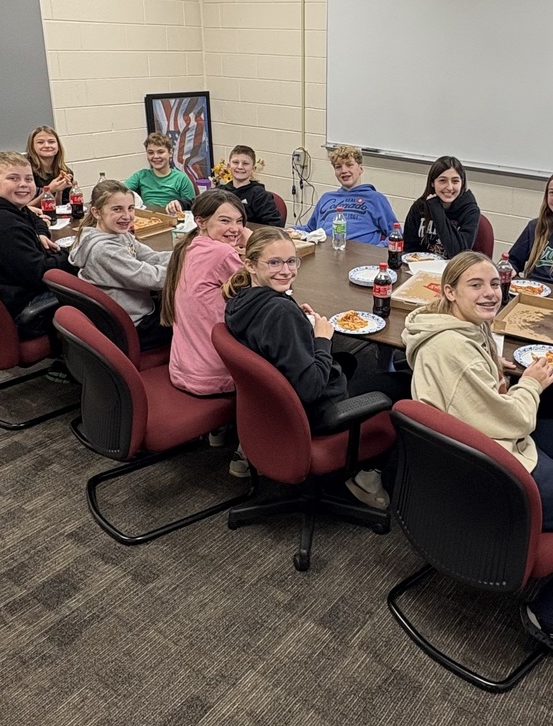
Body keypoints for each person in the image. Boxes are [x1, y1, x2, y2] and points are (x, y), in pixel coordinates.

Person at [402, 250, 553, 659]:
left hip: (461, 458)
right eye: (475, 285)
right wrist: (529, 383)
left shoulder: (448, 325)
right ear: (449, 291)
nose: (490, 292)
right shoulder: (453, 350)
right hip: (495, 467)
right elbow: (512, 422)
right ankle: (552, 613)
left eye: (494, 284)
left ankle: (543, 519)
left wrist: (493, 370)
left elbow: (471, 389)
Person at [224, 227, 411, 508]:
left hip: (271, 411)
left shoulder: (239, 301)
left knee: (349, 361)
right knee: (403, 384)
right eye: (274, 263)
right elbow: (310, 388)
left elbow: (275, 339)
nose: (286, 270)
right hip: (314, 412)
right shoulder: (281, 313)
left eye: (291, 261)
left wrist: (299, 324)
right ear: (250, 265)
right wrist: (321, 338)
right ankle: (366, 478)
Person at [160, 189, 251, 476]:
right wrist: (254, 243)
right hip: (212, 377)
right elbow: (261, 292)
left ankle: (220, 429)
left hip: (182, 367)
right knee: (277, 357)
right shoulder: (224, 252)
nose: (234, 229)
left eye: (239, 222)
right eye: (224, 221)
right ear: (201, 221)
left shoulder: (186, 246)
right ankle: (248, 450)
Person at [0, 152, 75, 339]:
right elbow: (42, 274)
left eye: (28, 179)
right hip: (23, 313)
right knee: (97, 287)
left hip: (10, 294)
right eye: (13, 178)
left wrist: (40, 234)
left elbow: (36, 218)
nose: (23, 184)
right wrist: (73, 254)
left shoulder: (3, 206)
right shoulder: (4, 226)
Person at [68, 179, 172, 351]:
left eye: (131, 208)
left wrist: (186, 255)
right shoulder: (104, 251)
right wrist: (187, 267)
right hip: (132, 327)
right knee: (192, 317)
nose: (127, 216)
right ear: (96, 212)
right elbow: (153, 279)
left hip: (136, 311)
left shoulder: (118, 234)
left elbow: (151, 257)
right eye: (117, 209)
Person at [291, 145, 398, 245]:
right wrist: (288, 231)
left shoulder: (376, 199)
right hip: (324, 253)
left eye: (349, 165)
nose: (344, 170)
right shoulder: (326, 198)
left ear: (360, 168)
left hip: (360, 257)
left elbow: (395, 235)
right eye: (338, 167)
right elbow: (310, 229)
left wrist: (375, 252)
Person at [404, 156, 481, 259]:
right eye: (442, 181)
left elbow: (458, 253)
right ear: (432, 183)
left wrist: (437, 210)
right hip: (420, 268)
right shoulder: (419, 207)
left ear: (462, 183)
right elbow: (409, 249)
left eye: (455, 181)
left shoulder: (470, 211)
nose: (449, 187)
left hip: (453, 270)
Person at [125, 132, 196, 213]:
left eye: (161, 152)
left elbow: (193, 205)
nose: (155, 156)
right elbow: (119, 191)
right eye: (151, 153)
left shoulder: (181, 179)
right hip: (147, 219)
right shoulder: (141, 175)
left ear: (170, 153)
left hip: (172, 219)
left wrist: (180, 203)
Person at [216, 144, 284, 226]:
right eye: (236, 162)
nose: (240, 167)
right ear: (229, 167)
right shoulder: (218, 192)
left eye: (245, 163)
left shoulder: (260, 195)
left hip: (252, 237)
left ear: (253, 169)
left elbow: (274, 225)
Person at [26, 125, 74, 206]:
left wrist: (59, 191)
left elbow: (58, 207)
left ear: (58, 146)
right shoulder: (26, 172)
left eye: (51, 142)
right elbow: (23, 209)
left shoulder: (66, 172)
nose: (47, 146)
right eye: (40, 142)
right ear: (32, 147)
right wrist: (49, 190)